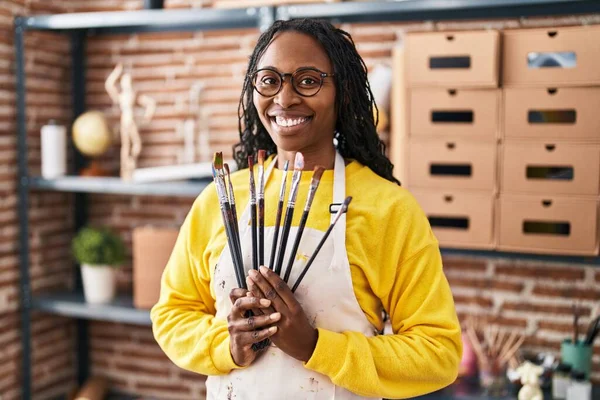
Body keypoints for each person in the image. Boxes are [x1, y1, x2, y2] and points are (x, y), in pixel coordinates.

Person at [151, 18, 462, 399]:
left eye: (308, 80)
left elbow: (439, 354)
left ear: (343, 93)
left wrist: (316, 347)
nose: (284, 99)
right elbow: (171, 315)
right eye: (269, 80)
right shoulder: (222, 198)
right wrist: (228, 346)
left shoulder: (388, 209)